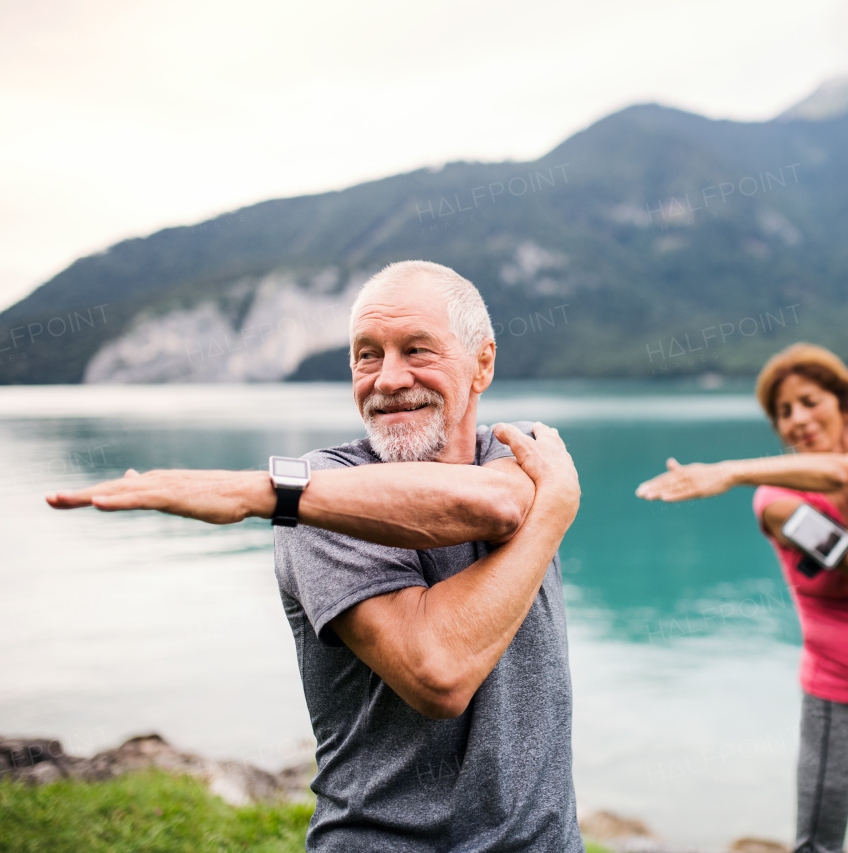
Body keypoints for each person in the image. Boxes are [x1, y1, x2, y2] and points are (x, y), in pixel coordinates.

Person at [47, 260, 585, 852]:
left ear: (482, 363)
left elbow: (497, 506)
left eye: (417, 350)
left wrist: (255, 492)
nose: (387, 379)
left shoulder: (516, 451)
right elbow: (440, 673)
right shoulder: (319, 497)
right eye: (367, 354)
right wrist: (556, 509)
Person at [636, 342, 848, 853]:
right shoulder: (778, 502)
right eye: (783, 412)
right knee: (817, 846)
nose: (797, 418)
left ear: (844, 404)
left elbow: (845, 471)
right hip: (841, 703)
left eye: (809, 401)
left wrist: (730, 470)